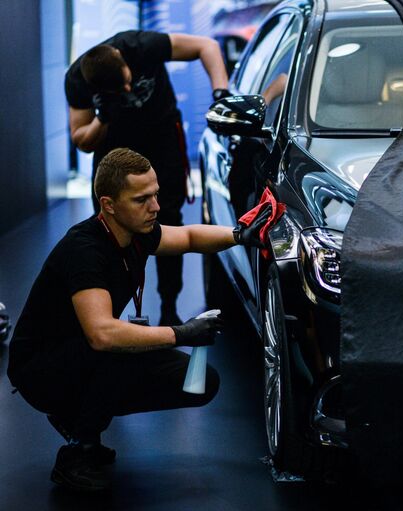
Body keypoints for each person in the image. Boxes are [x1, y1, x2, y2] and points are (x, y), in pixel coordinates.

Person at [7, 148, 275, 492]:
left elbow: (190, 237)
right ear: (108, 204)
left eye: (155, 195)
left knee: (199, 382)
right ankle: (77, 452)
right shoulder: (85, 250)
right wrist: (180, 334)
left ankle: (78, 418)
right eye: (141, 199)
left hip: (83, 354)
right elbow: (102, 334)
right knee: (117, 350)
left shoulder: (136, 233)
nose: (156, 207)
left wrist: (240, 235)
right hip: (39, 369)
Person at [65, 31, 231, 326]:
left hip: (163, 140)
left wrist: (221, 93)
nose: (128, 87)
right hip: (114, 154)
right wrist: (102, 117)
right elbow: (82, 139)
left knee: (167, 219)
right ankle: (110, 315)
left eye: (127, 79)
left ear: (122, 59)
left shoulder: (139, 46)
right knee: (110, 231)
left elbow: (206, 46)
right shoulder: (78, 80)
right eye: (120, 88)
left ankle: (169, 306)